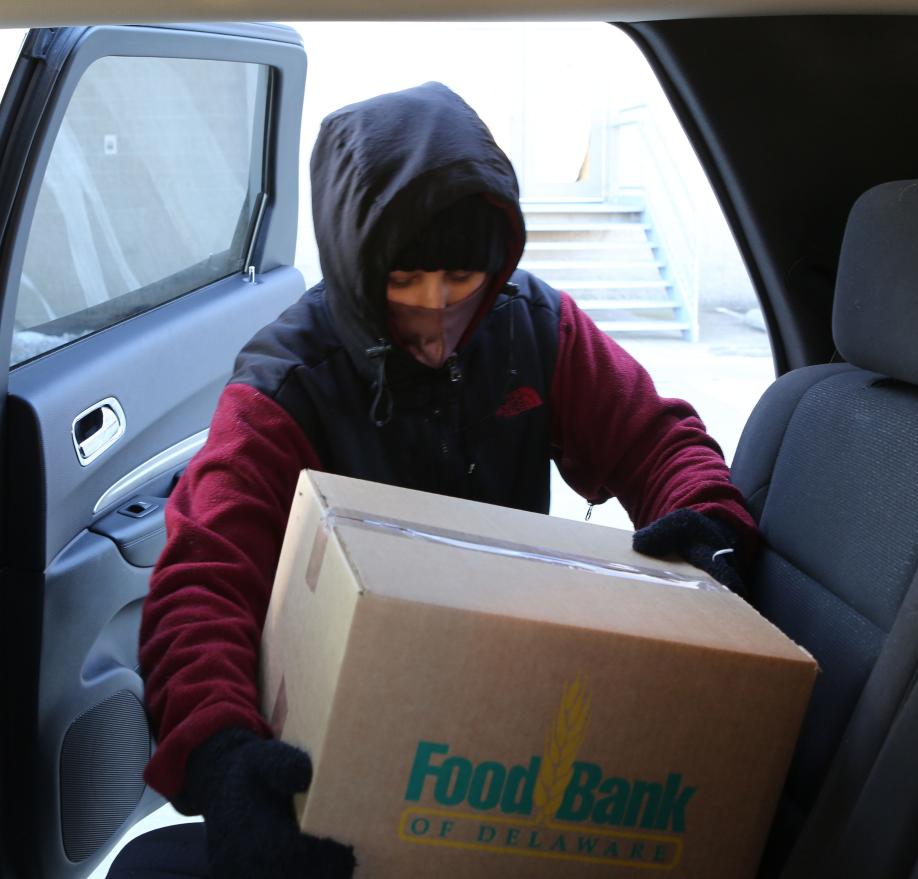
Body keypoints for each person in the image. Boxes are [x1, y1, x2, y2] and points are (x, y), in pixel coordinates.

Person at [113, 82, 758, 879]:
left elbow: (657, 439)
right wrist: (225, 755)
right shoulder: (286, 387)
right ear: (359, 264)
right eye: (405, 277)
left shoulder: (534, 328)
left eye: (463, 274)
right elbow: (204, 582)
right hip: (337, 741)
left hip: (514, 718)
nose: (438, 307)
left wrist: (706, 523)